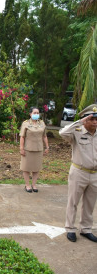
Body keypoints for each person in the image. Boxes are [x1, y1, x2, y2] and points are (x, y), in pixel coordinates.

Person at [59, 104, 97, 243]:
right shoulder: (77, 131)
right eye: (92, 119)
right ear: (85, 119)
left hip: (94, 174)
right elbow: (62, 133)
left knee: (90, 203)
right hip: (79, 172)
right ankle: (70, 228)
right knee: (73, 201)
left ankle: (86, 229)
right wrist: (79, 122)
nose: (95, 122)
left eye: (96, 119)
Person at [19, 107, 49, 193]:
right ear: (30, 114)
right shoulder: (25, 124)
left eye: (37, 113)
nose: (36, 114)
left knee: (36, 168)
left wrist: (47, 147)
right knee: (26, 168)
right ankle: (27, 185)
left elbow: (44, 136)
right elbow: (22, 137)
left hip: (38, 149)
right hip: (28, 149)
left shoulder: (42, 123)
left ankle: (34, 184)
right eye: (34, 113)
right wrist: (21, 148)